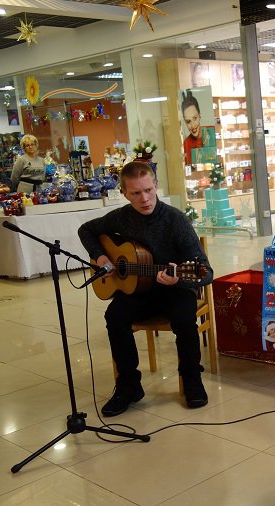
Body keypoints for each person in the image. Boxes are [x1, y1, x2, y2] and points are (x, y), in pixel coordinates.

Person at [78, 161, 214, 415]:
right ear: (124, 193)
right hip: (139, 291)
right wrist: (100, 256)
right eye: (136, 193)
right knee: (114, 316)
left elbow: (205, 271)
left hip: (175, 288)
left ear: (156, 186)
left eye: (149, 190)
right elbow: (86, 230)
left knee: (184, 319)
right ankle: (129, 386)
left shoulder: (176, 220)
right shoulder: (120, 218)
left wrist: (179, 279)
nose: (144, 199)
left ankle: (192, 378)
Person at [181, 90, 214, 166]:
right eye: (188, 121)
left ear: (200, 115)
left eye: (195, 118)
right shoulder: (187, 143)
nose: (193, 125)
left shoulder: (211, 132)